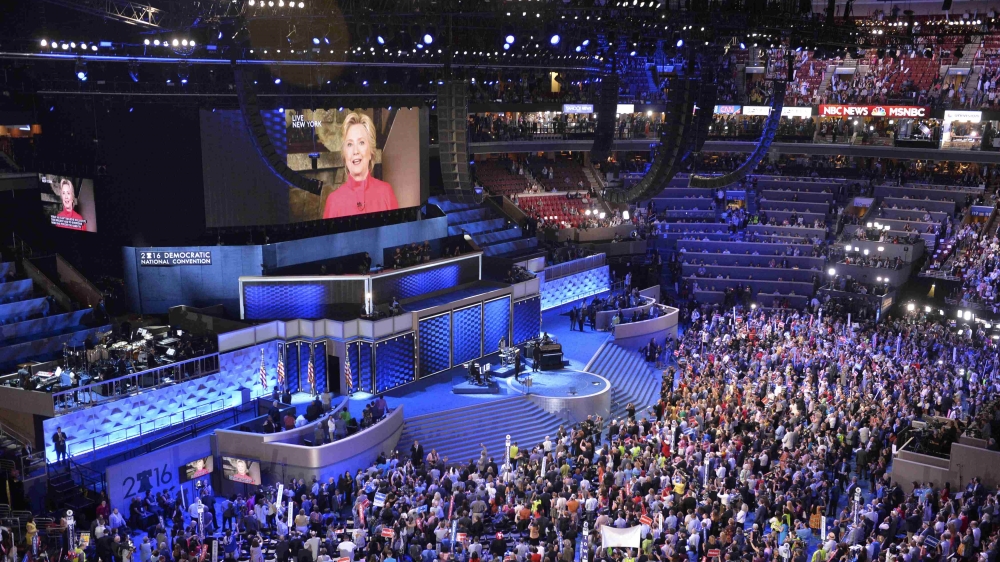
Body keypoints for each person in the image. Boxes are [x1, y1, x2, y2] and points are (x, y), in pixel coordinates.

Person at [322, 112, 399, 219]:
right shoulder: (333, 201)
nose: (355, 151)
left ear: (371, 151)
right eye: (350, 144)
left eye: (361, 142)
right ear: (344, 154)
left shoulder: (386, 193)